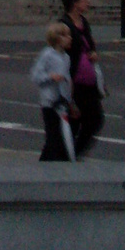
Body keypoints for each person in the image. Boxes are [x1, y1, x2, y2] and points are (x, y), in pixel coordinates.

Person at [60, 0, 103, 157]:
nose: (88, 1)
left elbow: (89, 44)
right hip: (74, 82)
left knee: (95, 119)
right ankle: (66, 156)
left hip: (89, 82)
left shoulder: (83, 22)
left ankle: (74, 154)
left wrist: (92, 53)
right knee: (74, 122)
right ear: (74, 2)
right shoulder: (64, 25)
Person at [31, 21, 76, 160]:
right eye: (66, 35)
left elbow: (66, 80)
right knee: (52, 137)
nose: (70, 38)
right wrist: (50, 77)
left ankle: (50, 164)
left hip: (62, 103)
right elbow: (35, 75)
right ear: (57, 38)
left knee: (60, 137)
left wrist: (70, 101)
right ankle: (45, 165)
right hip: (49, 103)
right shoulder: (47, 54)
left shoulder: (66, 57)